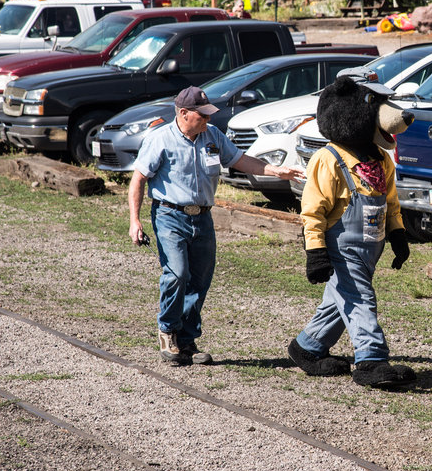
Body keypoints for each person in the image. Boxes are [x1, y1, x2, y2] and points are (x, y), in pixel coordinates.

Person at [128, 86, 304, 366]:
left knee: (199, 281)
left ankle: (186, 341)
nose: (208, 120)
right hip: (169, 215)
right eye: (203, 115)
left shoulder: (213, 136)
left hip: (203, 218)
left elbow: (240, 160)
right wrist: (134, 221)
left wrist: (275, 170)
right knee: (177, 274)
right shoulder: (160, 139)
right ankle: (167, 331)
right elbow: (138, 179)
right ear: (184, 114)